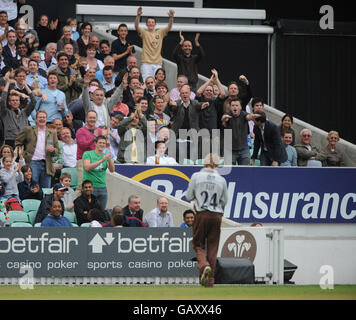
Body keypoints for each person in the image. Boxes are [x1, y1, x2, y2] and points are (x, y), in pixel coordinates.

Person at [185, 153, 228, 288]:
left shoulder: (196, 176)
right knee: (213, 247)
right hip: (217, 215)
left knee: (198, 244)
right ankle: (210, 281)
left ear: (204, 163)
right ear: (217, 165)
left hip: (202, 213)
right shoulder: (221, 180)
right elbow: (224, 201)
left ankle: (204, 266)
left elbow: (188, 196)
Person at [15, 110, 59, 188]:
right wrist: (22, 153)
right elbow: (18, 141)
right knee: (33, 186)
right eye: (40, 117)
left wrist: (53, 150)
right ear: (36, 119)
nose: (42, 119)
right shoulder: (28, 130)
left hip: (47, 164)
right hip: (32, 162)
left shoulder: (52, 132)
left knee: (45, 189)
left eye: (44, 117)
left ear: (47, 119)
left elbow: (57, 150)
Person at [135, 6, 174, 81]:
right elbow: (136, 26)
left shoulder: (160, 32)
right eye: (149, 22)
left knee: (158, 83)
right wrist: (138, 15)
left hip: (157, 63)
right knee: (146, 82)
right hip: (146, 63)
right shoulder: (144, 32)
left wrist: (171, 18)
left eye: (152, 22)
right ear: (146, 24)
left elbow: (169, 27)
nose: (151, 24)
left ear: (155, 24)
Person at [0, 72, 36, 148]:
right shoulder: (5, 113)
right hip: (10, 141)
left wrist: (25, 85)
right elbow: (2, 100)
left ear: (19, 102)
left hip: (23, 141)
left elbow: (33, 101)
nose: (15, 102)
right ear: (9, 103)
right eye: (13, 100)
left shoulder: (24, 112)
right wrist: (8, 83)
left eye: (17, 100)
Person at [221, 98, 260, 165]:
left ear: (240, 107)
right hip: (230, 150)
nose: (235, 107)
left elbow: (248, 117)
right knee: (230, 171)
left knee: (245, 171)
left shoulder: (243, 114)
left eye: (236, 105)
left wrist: (252, 116)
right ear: (230, 107)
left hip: (244, 149)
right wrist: (224, 119)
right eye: (233, 105)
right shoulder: (228, 114)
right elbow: (224, 118)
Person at [83, 135, 114, 210]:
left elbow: (112, 170)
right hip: (90, 187)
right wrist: (101, 160)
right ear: (95, 143)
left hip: (102, 187)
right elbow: (87, 167)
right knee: (89, 210)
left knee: (101, 211)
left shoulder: (105, 156)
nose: (102, 145)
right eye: (100, 142)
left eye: (104, 143)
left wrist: (109, 160)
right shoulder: (88, 154)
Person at [75, 110, 103, 195]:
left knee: (94, 186)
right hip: (83, 161)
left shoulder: (99, 131)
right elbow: (83, 145)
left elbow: (100, 145)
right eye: (90, 117)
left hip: (95, 161)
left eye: (94, 118)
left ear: (96, 119)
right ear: (86, 118)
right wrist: (93, 137)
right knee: (81, 186)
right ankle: (76, 207)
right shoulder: (80, 131)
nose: (92, 120)